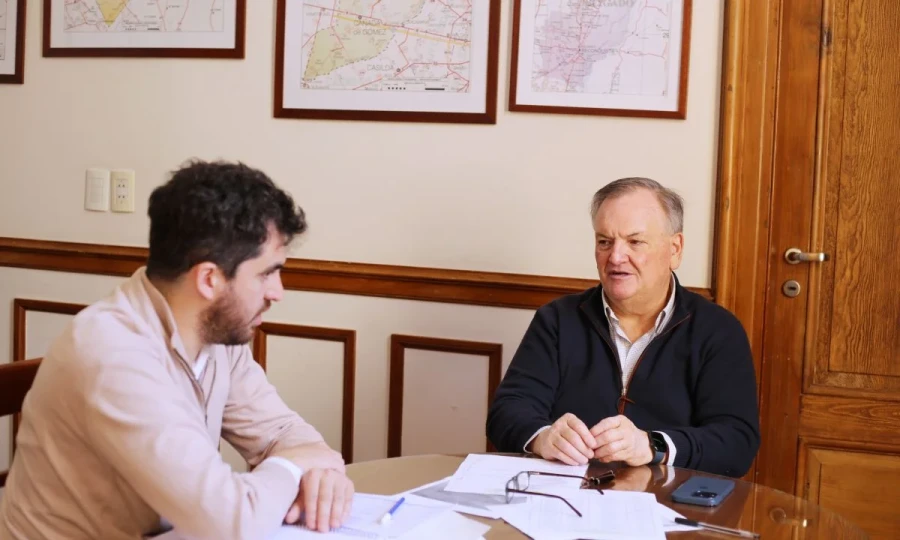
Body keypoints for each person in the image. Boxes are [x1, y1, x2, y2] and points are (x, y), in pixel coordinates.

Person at [0, 160, 353, 539]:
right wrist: (293, 466)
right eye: (267, 272)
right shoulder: (112, 355)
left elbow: (283, 433)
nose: (277, 292)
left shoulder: (216, 331)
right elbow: (231, 521)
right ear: (209, 279)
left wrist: (321, 473)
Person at [486, 177, 760, 478]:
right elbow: (506, 411)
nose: (615, 258)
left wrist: (652, 445)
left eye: (635, 242)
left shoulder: (718, 330)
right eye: (604, 241)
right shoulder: (557, 319)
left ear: (675, 249)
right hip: (565, 500)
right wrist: (542, 437)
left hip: (668, 507)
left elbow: (737, 442)